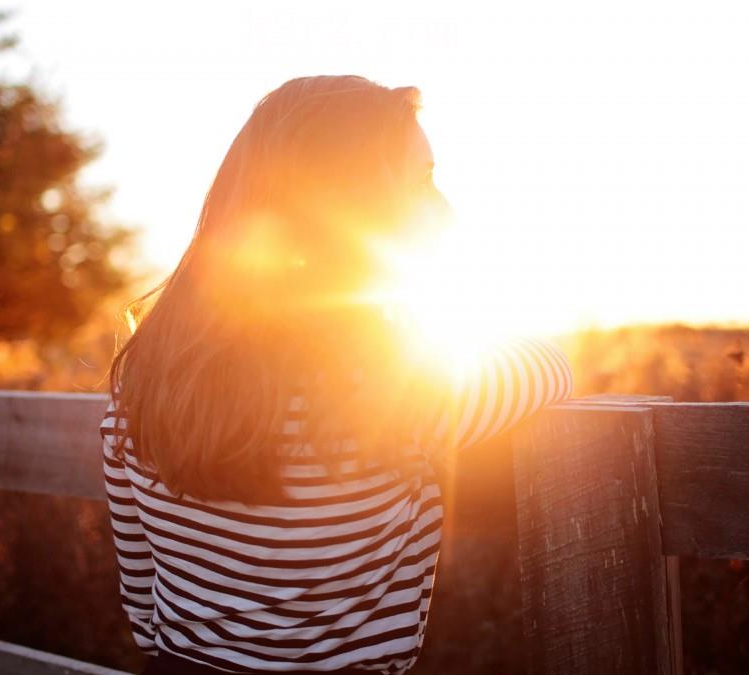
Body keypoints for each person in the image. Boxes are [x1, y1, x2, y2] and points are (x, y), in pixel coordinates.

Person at [99, 75, 574, 675]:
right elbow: (550, 367)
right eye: (423, 179)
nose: (447, 210)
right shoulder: (388, 383)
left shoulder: (143, 374)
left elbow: (141, 597)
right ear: (351, 202)